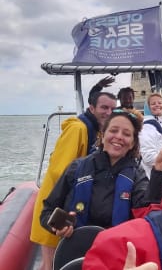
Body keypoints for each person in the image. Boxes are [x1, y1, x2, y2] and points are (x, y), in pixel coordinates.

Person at [30, 91, 117, 270]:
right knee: (51, 264)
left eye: (112, 109)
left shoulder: (96, 131)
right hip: (57, 207)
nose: (108, 112)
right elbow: (60, 171)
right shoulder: (78, 129)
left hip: (69, 209)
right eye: (104, 107)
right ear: (91, 108)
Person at [39, 110, 148, 237]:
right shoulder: (76, 168)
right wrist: (59, 226)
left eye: (126, 134)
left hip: (116, 250)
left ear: (133, 143)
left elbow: (147, 212)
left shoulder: (137, 175)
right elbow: (47, 211)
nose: (119, 136)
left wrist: (159, 171)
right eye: (113, 131)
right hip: (77, 250)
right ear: (102, 136)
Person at [139, 93, 162, 178]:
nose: (157, 105)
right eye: (153, 104)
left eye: (160, 103)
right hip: (153, 176)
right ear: (148, 107)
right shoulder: (147, 127)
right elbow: (147, 156)